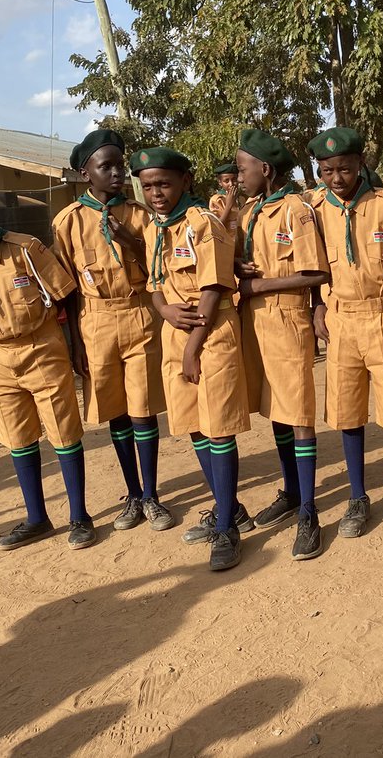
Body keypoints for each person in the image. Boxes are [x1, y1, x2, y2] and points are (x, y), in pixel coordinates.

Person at [0, 188, 96, 551]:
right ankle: (37, 518)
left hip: (42, 348)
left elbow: (65, 295)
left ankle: (79, 516)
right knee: (18, 438)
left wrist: (75, 347)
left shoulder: (26, 249)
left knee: (64, 432)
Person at [51, 130, 172, 534]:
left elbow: (162, 268)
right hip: (96, 321)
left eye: (120, 164)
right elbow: (66, 289)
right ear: (86, 173)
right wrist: (75, 344)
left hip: (139, 315)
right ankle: (133, 493)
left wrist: (134, 244)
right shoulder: (67, 223)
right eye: (107, 166)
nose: (118, 172)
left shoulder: (140, 215)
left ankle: (152, 495)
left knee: (143, 410)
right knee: (116, 410)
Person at [309, 126, 383, 540]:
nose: (336, 178)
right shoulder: (315, 208)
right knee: (347, 412)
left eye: (343, 168)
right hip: (340, 320)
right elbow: (315, 268)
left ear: (360, 163)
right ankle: (358, 497)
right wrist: (317, 306)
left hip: (382, 315)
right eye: (326, 171)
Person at [135, 147, 250, 571]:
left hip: (210, 334)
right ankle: (229, 508)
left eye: (164, 183)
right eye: (148, 186)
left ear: (186, 180)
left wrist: (192, 347)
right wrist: (164, 310)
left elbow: (214, 287)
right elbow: (155, 283)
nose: (156, 193)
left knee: (218, 428)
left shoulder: (205, 224)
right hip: (175, 332)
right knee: (194, 425)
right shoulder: (154, 228)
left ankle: (227, 530)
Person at [233, 128, 330, 560]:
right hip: (255, 323)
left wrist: (258, 286)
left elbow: (315, 273)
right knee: (276, 408)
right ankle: (291, 491)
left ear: (265, 169)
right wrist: (239, 268)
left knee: (298, 412)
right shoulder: (250, 210)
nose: (237, 177)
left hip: (286, 319)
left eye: (242, 168)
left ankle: (309, 513)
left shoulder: (296, 210)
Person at [209, 162, 242, 239]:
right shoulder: (217, 199)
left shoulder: (241, 198)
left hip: (240, 242)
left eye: (234, 180)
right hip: (226, 242)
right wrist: (229, 205)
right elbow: (217, 226)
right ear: (220, 183)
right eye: (226, 181)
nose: (231, 184)